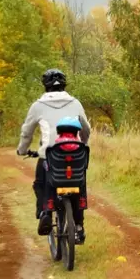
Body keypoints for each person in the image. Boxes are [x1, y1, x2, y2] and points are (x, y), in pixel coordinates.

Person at [17, 69, 91, 240]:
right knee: (79, 184)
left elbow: (26, 132)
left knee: (40, 183)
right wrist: (82, 145)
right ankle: (79, 227)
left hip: (49, 155)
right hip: (75, 155)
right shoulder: (75, 103)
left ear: (45, 86)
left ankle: (45, 213)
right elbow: (86, 128)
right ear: (64, 84)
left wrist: (22, 150)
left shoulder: (38, 106)